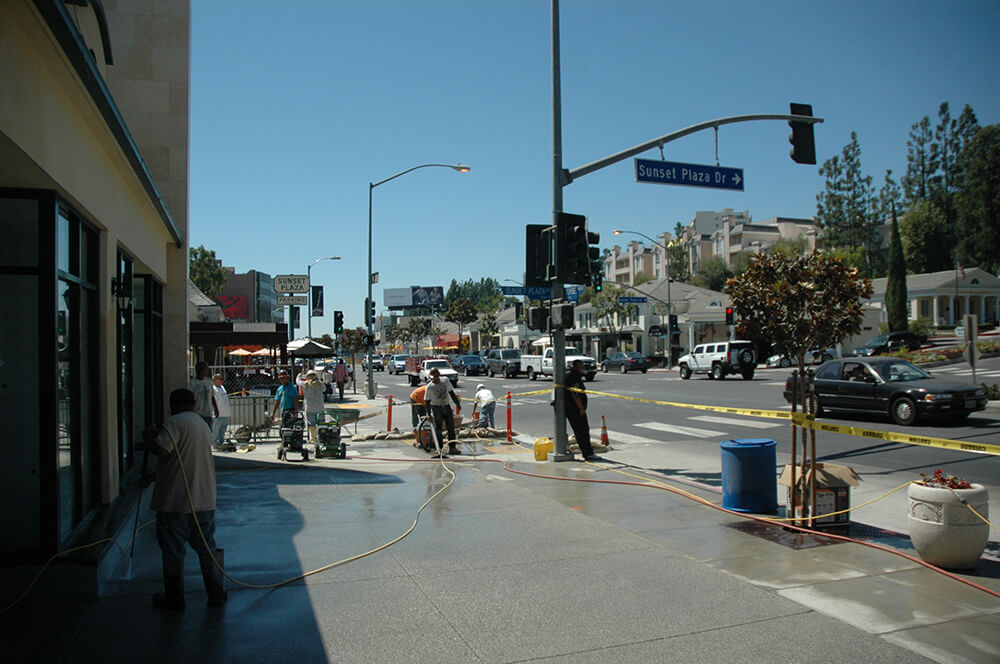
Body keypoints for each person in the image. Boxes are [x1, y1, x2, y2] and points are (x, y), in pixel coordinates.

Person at [143, 388, 226, 610]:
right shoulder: (202, 425)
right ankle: (215, 592)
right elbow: (186, 459)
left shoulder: (174, 423)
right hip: (204, 499)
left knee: (173, 551)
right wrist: (156, 475)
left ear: (173, 404)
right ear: (193, 404)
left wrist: (149, 437)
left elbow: (163, 450)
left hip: (176, 502)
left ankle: (174, 596)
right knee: (206, 548)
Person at [564, 359, 603, 462]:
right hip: (575, 410)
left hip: (573, 409)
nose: (583, 369)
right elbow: (575, 394)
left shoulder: (572, 376)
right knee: (582, 431)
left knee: (581, 431)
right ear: (576, 367)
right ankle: (588, 453)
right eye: (581, 367)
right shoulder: (574, 378)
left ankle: (587, 452)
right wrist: (581, 408)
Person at [424, 368, 461, 455]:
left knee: (451, 428)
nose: (435, 378)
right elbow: (427, 401)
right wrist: (428, 414)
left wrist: (457, 404)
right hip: (437, 408)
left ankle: (452, 447)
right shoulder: (430, 387)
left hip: (446, 406)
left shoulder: (445, 381)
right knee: (438, 429)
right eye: (433, 377)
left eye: (436, 376)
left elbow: (451, 392)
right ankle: (439, 448)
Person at [189, 361, 218, 429]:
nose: (208, 371)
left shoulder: (209, 382)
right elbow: (190, 398)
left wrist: (216, 408)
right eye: (206, 369)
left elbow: (212, 396)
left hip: (208, 413)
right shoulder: (192, 383)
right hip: (197, 413)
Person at [300, 370, 326, 442]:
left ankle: (313, 438)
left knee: (312, 424)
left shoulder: (305, 384)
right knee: (321, 423)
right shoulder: (321, 384)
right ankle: (321, 437)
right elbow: (324, 389)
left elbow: (298, 381)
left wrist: (299, 375)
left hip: (310, 408)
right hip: (320, 407)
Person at [211, 374, 231, 447]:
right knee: (215, 431)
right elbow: (212, 400)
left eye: (222, 379)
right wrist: (215, 410)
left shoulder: (222, 387)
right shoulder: (213, 389)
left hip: (225, 413)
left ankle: (220, 443)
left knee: (222, 431)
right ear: (214, 380)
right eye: (220, 379)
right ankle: (214, 444)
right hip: (218, 414)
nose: (222, 380)